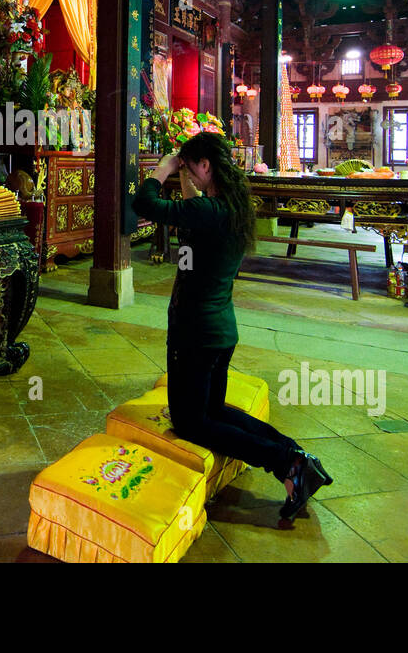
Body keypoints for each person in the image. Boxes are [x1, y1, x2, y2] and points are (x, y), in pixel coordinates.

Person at [132, 131, 332, 521]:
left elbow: (143, 202)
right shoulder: (229, 208)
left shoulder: (208, 212)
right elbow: (196, 222)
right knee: (213, 412)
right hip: (220, 331)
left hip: (196, 333)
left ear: (204, 166)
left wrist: (164, 169)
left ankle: (285, 462)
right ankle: (295, 458)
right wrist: (188, 178)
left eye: (190, 169)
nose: (184, 174)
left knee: (191, 422)